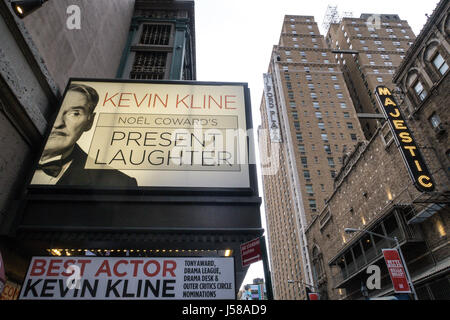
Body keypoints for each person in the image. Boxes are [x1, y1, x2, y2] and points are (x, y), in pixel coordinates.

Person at [31, 83, 137, 187]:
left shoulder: (118, 183)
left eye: (75, 113)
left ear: (90, 122)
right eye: (58, 112)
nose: (58, 123)